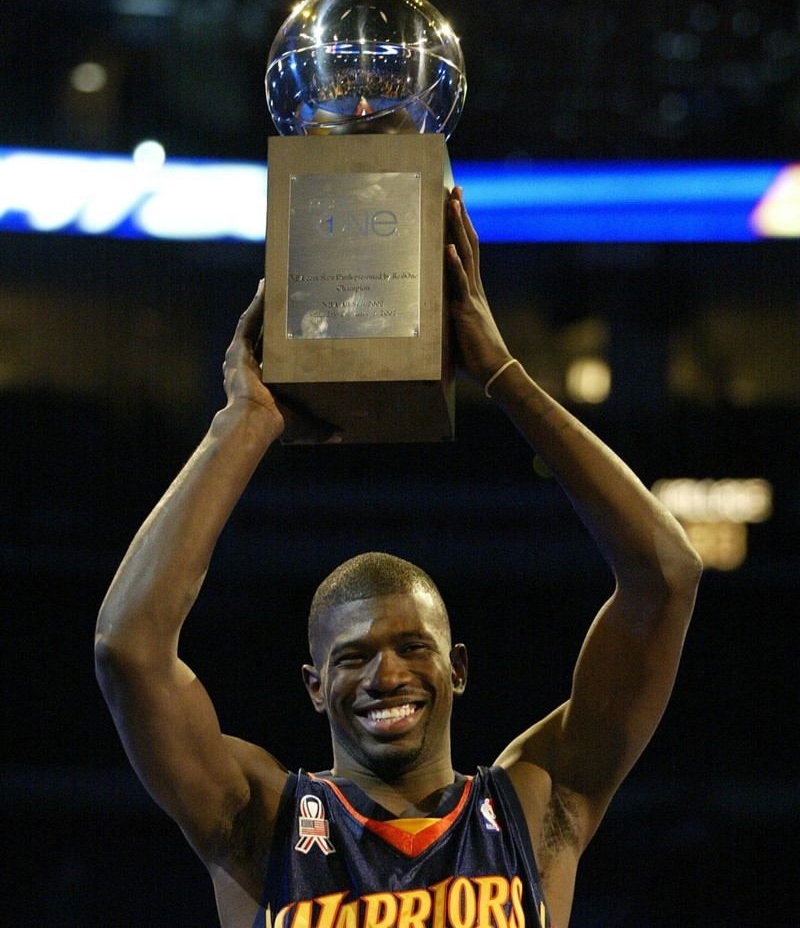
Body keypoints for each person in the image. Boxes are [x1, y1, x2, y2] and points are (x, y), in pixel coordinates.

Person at [95, 187, 702, 928]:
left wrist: (503, 375)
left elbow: (667, 578)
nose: (387, 675)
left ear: (460, 667)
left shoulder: (538, 809)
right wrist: (245, 422)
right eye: (353, 657)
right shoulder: (261, 821)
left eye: (413, 647)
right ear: (315, 686)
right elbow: (128, 649)